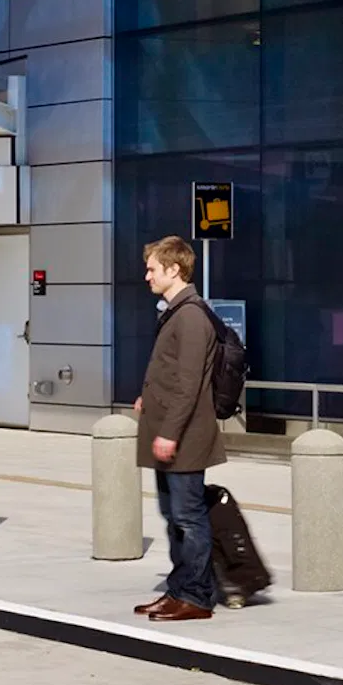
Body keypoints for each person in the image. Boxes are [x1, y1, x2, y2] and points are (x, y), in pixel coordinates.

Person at [130, 234, 223, 623]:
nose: (147, 275)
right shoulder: (175, 311)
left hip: (184, 436)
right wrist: (146, 397)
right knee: (174, 516)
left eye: (153, 268)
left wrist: (169, 432)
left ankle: (197, 596)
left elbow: (188, 383)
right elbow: (171, 373)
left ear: (174, 269)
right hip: (170, 429)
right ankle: (179, 588)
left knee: (188, 517)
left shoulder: (191, 315)